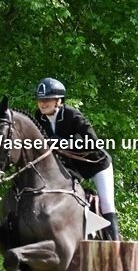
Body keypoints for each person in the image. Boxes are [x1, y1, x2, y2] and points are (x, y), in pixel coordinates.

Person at [32, 77, 120, 240]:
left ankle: (116, 244)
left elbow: (93, 142)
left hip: (96, 164)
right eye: (40, 100)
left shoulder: (72, 114)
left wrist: (64, 142)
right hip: (72, 168)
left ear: (58, 100)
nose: (43, 104)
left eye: (47, 100)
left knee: (107, 203)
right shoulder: (40, 117)